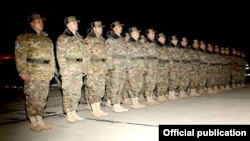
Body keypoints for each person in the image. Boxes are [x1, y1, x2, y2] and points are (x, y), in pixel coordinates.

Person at [15, 13, 55, 131]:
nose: (41, 23)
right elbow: (20, 56)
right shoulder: (24, 37)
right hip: (32, 72)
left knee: (42, 97)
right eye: (38, 21)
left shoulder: (47, 39)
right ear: (31, 23)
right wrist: (22, 72)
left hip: (45, 72)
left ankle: (40, 119)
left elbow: (51, 57)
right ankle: (33, 121)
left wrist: (51, 71)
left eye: (41, 21)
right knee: (32, 97)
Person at [56, 16, 90, 122]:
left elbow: (85, 54)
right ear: (68, 25)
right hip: (69, 69)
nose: (76, 24)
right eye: (74, 23)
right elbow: (60, 55)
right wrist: (63, 69)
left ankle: (74, 112)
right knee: (68, 92)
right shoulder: (63, 38)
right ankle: (68, 113)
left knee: (76, 92)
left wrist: (85, 68)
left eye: (76, 22)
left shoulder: (80, 38)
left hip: (79, 69)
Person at [84, 21, 109, 117]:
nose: (101, 29)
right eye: (99, 27)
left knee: (100, 89)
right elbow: (86, 56)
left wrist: (106, 67)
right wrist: (88, 68)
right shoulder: (88, 39)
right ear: (94, 29)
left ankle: (98, 108)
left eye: (101, 27)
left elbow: (105, 55)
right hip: (93, 68)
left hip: (102, 68)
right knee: (93, 89)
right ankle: (94, 109)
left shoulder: (102, 40)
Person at [105, 21, 129, 112]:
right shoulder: (110, 40)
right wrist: (110, 67)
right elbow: (108, 55)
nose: (121, 28)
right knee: (115, 85)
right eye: (119, 27)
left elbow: (125, 54)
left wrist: (126, 65)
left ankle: (118, 104)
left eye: (121, 27)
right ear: (114, 29)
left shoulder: (121, 39)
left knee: (121, 85)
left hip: (122, 66)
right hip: (115, 66)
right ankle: (115, 105)